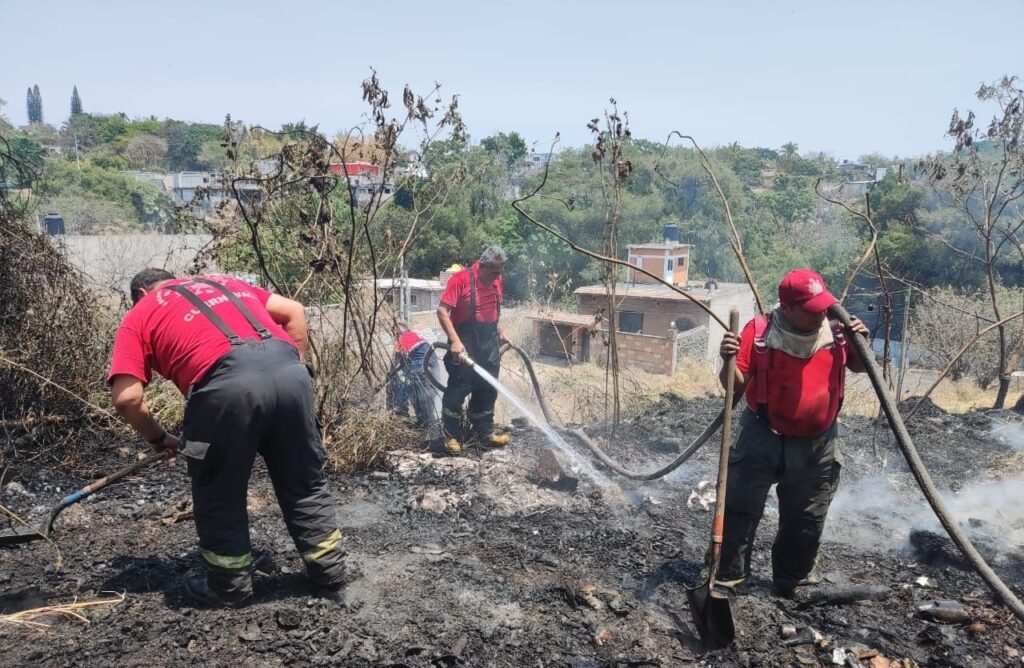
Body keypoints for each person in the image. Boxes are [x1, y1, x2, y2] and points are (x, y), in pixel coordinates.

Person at [107, 269, 347, 607]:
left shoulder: (142, 312)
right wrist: (291, 375)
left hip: (225, 387)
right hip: (290, 374)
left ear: (142, 294)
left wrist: (158, 437)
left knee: (219, 489)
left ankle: (229, 586)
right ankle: (330, 572)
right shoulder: (224, 282)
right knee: (305, 481)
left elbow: (127, 399)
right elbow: (295, 310)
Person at [716, 269, 869, 597]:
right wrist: (728, 361)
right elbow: (735, 387)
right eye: (811, 309)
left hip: (818, 443)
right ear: (788, 308)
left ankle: (794, 580)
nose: (821, 314)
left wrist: (862, 342)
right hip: (762, 436)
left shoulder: (838, 331)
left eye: (823, 307)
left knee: (807, 518)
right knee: (739, 509)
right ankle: (728, 577)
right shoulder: (760, 332)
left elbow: (858, 365)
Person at [436, 247, 512, 456]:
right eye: (495, 272)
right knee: (458, 390)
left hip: (489, 345)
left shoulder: (496, 280)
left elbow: (491, 310)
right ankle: (451, 436)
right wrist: (455, 342)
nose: (499, 276)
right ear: (483, 266)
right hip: (465, 344)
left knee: (487, 389)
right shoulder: (460, 279)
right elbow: (442, 311)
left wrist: (500, 330)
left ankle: (484, 433)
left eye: (500, 272)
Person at [387, 324, 441, 435]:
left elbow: (394, 361)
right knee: (423, 399)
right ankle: (425, 425)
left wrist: (388, 375)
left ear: (398, 333)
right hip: (433, 373)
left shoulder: (404, 338)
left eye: (395, 335)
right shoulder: (417, 336)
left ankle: (426, 430)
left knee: (398, 386)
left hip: (420, 372)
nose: (395, 338)